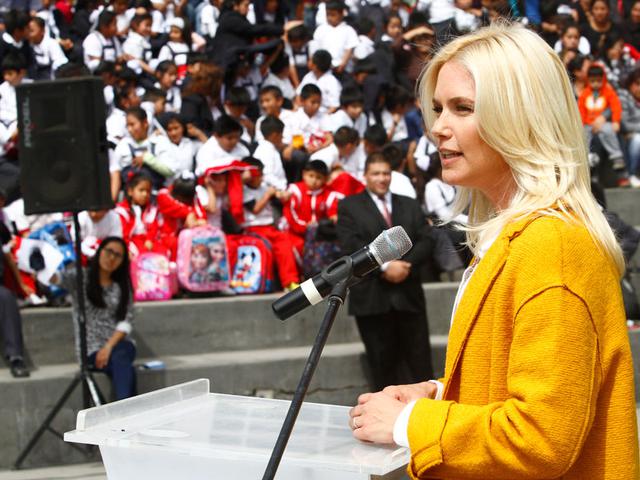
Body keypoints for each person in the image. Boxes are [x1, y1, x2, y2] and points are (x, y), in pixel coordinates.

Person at [347, 23, 639, 480]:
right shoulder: (523, 235)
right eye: (439, 108)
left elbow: (542, 437)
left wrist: (410, 423)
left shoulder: (551, 244)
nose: (438, 128)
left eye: (463, 108)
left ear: (522, 116)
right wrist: (439, 393)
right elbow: (523, 388)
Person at [336, 152, 434, 392]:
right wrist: (385, 266)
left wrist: (406, 265)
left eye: (386, 173)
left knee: (419, 365)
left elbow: (426, 239)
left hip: (408, 295)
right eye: (376, 173)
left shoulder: (409, 204)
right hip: (373, 298)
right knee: (382, 367)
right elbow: (351, 244)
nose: (382, 178)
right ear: (365, 176)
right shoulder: (349, 206)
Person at [51, 237, 136, 400]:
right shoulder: (81, 277)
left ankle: (123, 413)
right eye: (109, 251)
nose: (111, 258)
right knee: (125, 368)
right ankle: (126, 413)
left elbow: (127, 321)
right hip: (90, 348)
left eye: (118, 255)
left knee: (122, 354)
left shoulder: (122, 285)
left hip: (117, 345)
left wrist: (108, 347)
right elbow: (57, 279)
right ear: (100, 251)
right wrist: (41, 266)